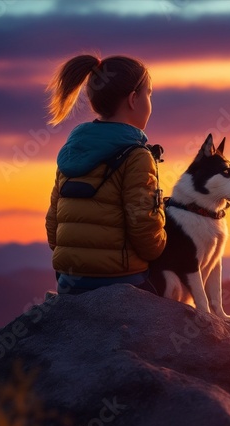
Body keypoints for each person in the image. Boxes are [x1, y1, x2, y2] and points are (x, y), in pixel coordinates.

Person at [45, 54, 167, 294]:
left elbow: (53, 225)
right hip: (121, 280)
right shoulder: (136, 156)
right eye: (149, 94)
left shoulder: (73, 150)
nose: (150, 102)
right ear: (133, 100)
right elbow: (146, 234)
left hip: (69, 281)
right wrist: (165, 237)